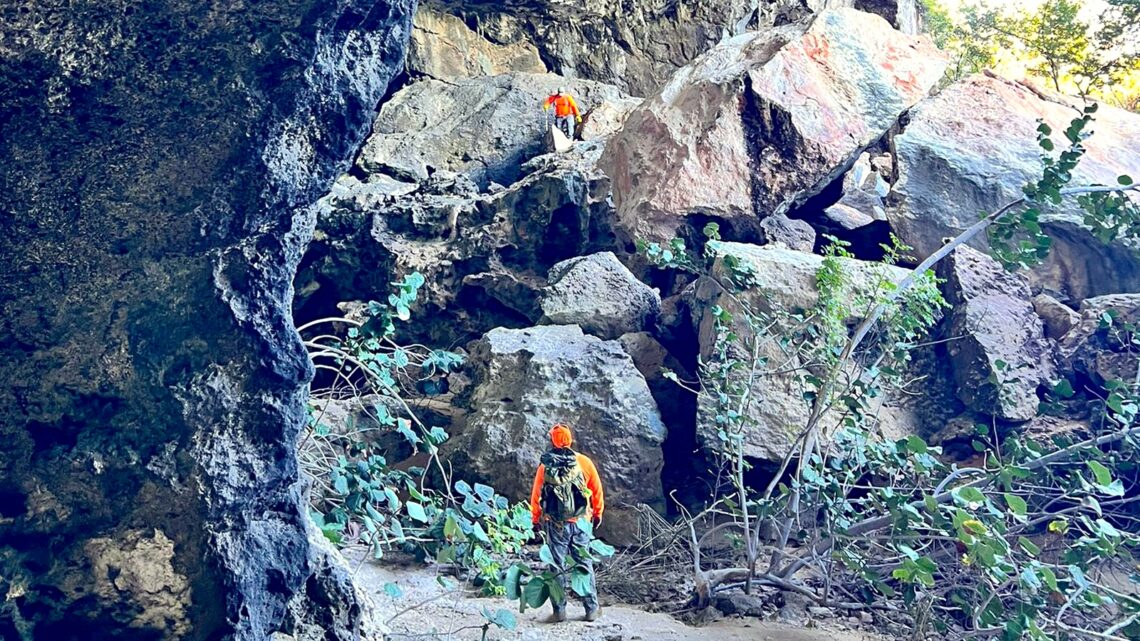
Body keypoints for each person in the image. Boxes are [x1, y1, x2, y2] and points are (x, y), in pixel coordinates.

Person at [529, 423, 604, 622]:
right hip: (581, 522)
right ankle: (591, 609)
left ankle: (560, 611)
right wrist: (597, 514)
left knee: (557, 565)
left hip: (556, 524)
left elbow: (536, 495)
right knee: (584, 563)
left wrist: (535, 519)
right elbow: (596, 491)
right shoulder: (584, 462)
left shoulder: (546, 466)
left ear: (552, 440)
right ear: (570, 440)